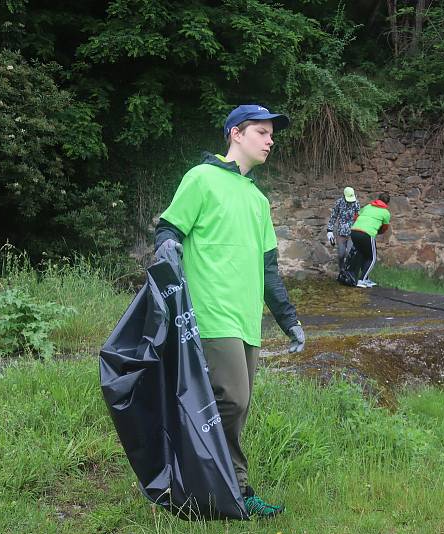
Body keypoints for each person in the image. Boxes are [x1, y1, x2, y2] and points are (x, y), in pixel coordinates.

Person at [154, 104, 305, 518]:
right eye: (261, 131)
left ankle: (219, 488)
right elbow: (169, 227)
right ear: (235, 134)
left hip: (246, 322)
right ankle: (211, 483)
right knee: (232, 400)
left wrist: (289, 320)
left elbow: (269, 269)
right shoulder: (201, 179)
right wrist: (166, 244)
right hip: (210, 314)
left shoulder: (257, 199)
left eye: (272, 134)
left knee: (236, 405)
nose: (270, 139)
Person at [348, 192, 391, 288]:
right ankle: (361, 280)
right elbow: (384, 228)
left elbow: (356, 217)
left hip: (354, 231)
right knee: (372, 258)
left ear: (378, 199)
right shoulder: (386, 213)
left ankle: (366, 279)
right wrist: (375, 231)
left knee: (364, 255)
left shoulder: (367, 206)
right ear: (387, 203)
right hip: (367, 233)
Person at [326, 186, 360, 271]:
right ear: (344, 195)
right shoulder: (339, 203)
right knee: (341, 254)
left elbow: (359, 217)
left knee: (349, 253)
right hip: (341, 232)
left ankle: (349, 272)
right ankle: (341, 270)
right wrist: (329, 231)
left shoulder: (356, 203)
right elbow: (333, 216)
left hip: (352, 232)